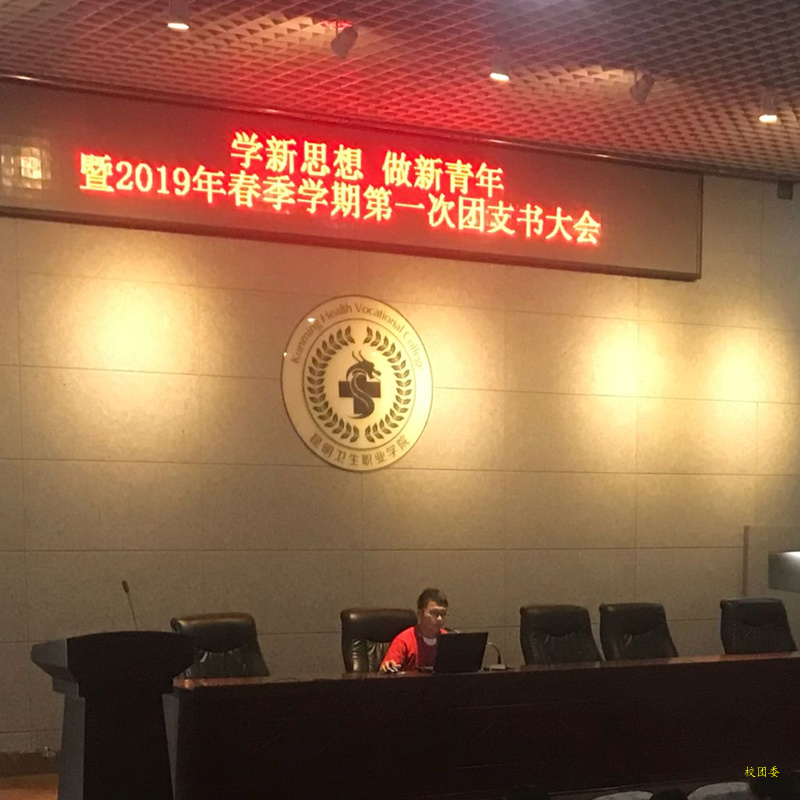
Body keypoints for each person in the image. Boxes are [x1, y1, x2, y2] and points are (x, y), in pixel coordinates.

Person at [379, 587, 448, 672]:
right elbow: (386, 669)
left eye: (443, 614)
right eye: (434, 613)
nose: (439, 619)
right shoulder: (404, 640)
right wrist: (388, 666)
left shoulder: (448, 639)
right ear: (420, 613)